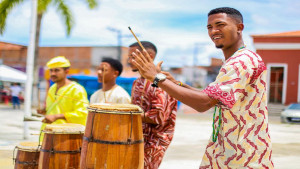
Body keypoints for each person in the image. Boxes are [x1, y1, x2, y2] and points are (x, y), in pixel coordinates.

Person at [131, 7, 273, 168]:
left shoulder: (241, 62)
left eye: (220, 25)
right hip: (228, 150)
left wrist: (157, 79)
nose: (214, 31)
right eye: (209, 27)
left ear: (239, 28)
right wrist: (175, 83)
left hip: (243, 155)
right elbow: (212, 96)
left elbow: (203, 103)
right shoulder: (236, 60)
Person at [128, 41, 178, 169]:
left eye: (133, 57)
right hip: (137, 139)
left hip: (154, 143)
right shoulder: (137, 82)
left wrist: (127, 114)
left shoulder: (160, 82)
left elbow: (158, 116)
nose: (129, 61)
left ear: (149, 56)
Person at [37, 56, 89, 140]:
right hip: (48, 133)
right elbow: (55, 109)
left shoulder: (76, 89)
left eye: (57, 70)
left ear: (66, 71)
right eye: (51, 70)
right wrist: (45, 111)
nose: (53, 73)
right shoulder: (52, 88)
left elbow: (83, 113)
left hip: (66, 136)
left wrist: (57, 116)